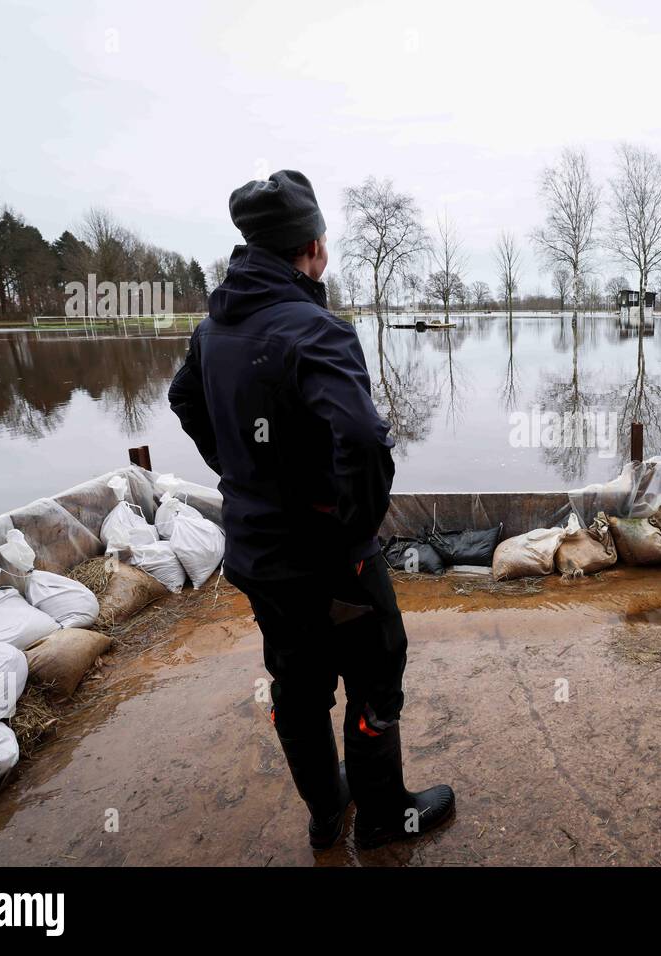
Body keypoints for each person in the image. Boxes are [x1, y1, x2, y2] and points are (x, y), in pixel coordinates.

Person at [168, 170, 454, 850]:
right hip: (326, 556)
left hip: (256, 554)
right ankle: (383, 814)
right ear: (314, 248)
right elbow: (359, 436)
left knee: (296, 683)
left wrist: (241, 475)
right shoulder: (315, 329)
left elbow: (185, 401)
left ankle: (328, 812)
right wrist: (352, 527)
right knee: (377, 670)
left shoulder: (214, 330)